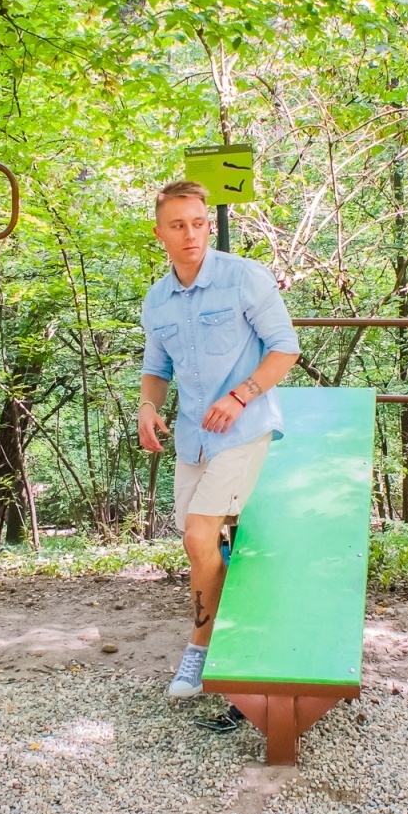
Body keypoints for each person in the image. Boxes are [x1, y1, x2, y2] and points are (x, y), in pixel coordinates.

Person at [138, 180, 300, 698]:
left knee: (198, 535)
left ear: (209, 223)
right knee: (200, 544)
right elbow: (156, 367)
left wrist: (241, 395)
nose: (192, 234)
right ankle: (234, 622)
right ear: (160, 232)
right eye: (178, 225)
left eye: (199, 222)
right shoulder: (157, 299)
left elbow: (285, 348)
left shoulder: (243, 278)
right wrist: (147, 407)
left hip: (245, 427)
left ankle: (198, 652)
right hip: (192, 438)